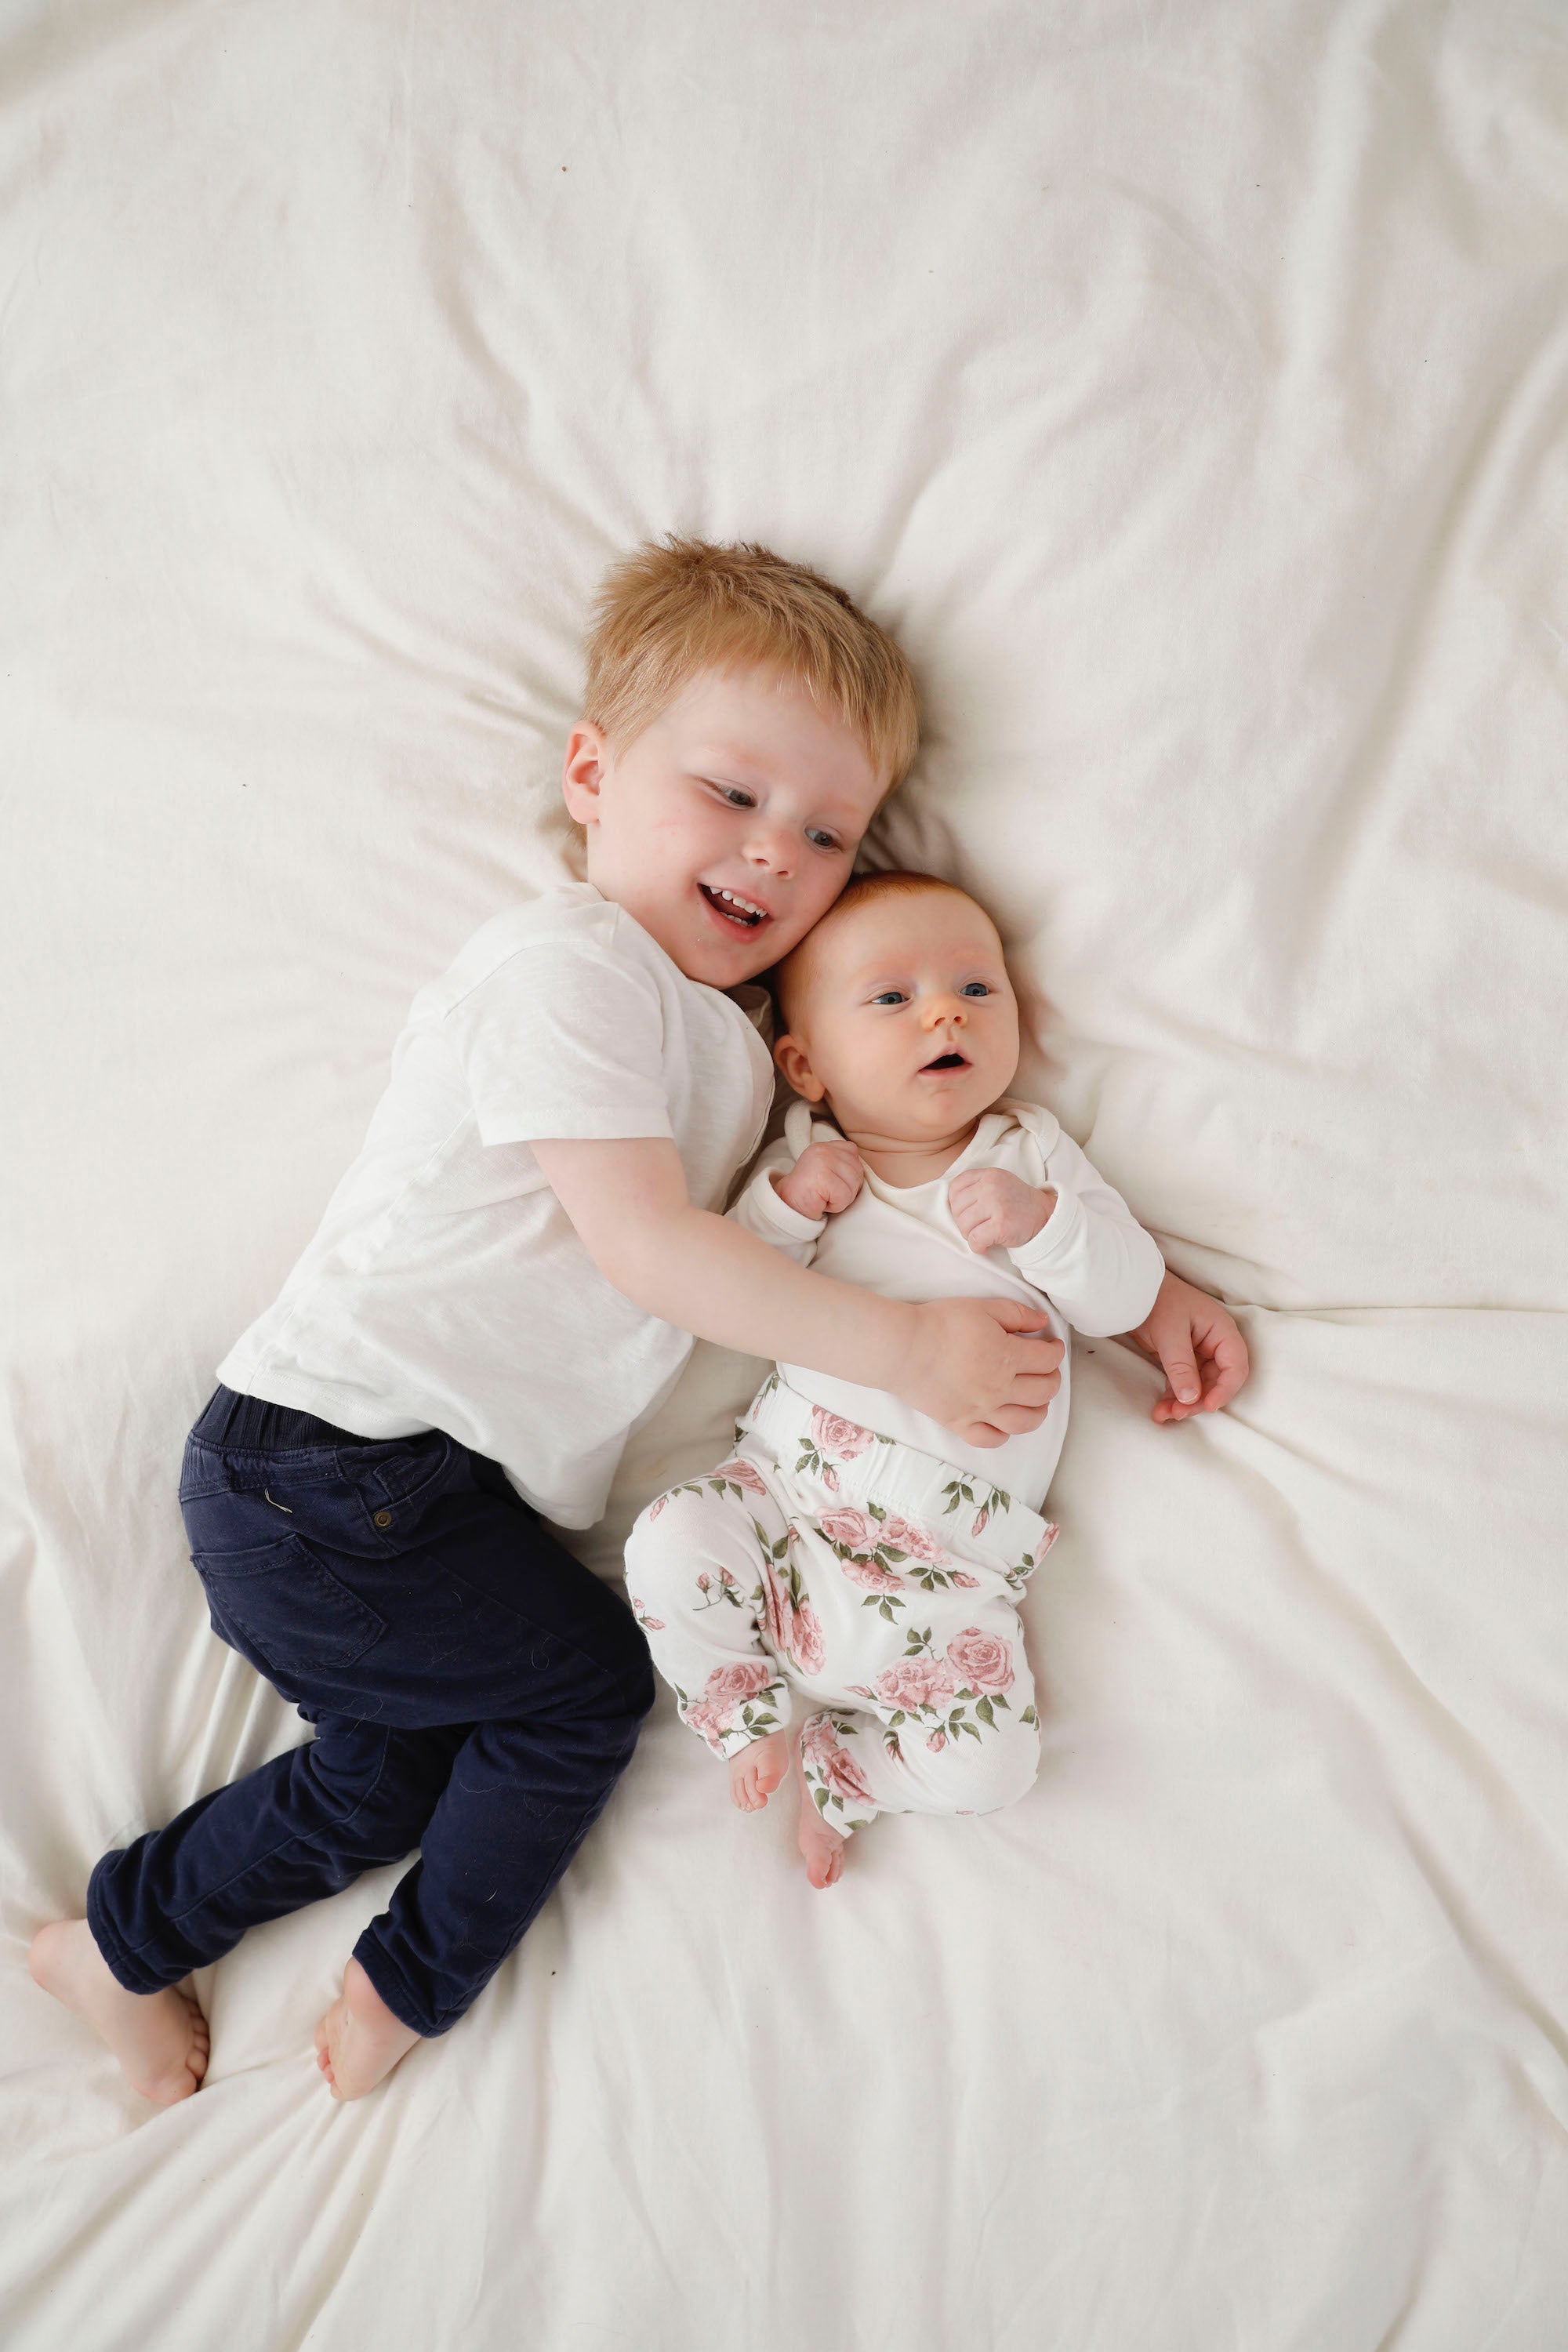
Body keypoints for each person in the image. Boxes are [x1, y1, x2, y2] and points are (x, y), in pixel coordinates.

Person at [31, 538, 1093, 2106]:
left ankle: (118, 1945)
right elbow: (648, 1248)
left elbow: (728, 1232)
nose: (775, 853)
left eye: (826, 833)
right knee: (584, 1692)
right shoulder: (568, 965)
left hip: (417, 1498)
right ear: (592, 775)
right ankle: (410, 1984)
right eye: (730, 794)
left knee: (390, 1775)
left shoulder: (732, 1038)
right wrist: (904, 1352)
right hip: (332, 1462)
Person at [624, 869, 1249, 1888]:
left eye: (977, 988)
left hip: (947, 1575)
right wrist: (786, 1207)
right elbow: (730, 1288)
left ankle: (850, 1773)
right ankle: (740, 1707)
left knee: (993, 1769)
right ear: (806, 1064)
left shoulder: (1031, 1153)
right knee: (668, 1538)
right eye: (892, 997)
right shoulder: (811, 1164)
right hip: (790, 1497)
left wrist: (1044, 1227)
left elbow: (1126, 1294)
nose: (945, 1013)